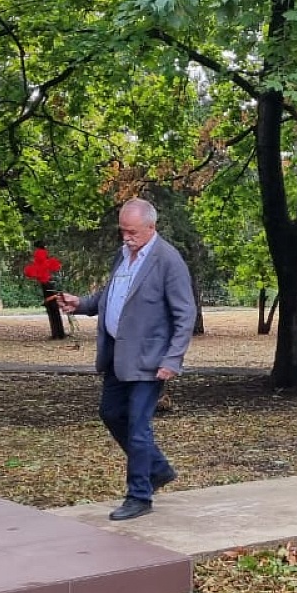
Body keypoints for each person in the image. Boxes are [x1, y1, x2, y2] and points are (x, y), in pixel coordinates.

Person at [58, 199, 197, 520]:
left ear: (152, 227)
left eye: (132, 232)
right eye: (122, 231)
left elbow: (184, 313)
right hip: (117, 358)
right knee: (110, 413)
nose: (126, 238)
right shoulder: (122, 257)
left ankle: (139, 495)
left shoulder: (168, 261)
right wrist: (80, 303)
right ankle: (158, 468)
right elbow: (109, 299)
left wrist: (173, 359)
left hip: (150, 360)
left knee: (137, 425)